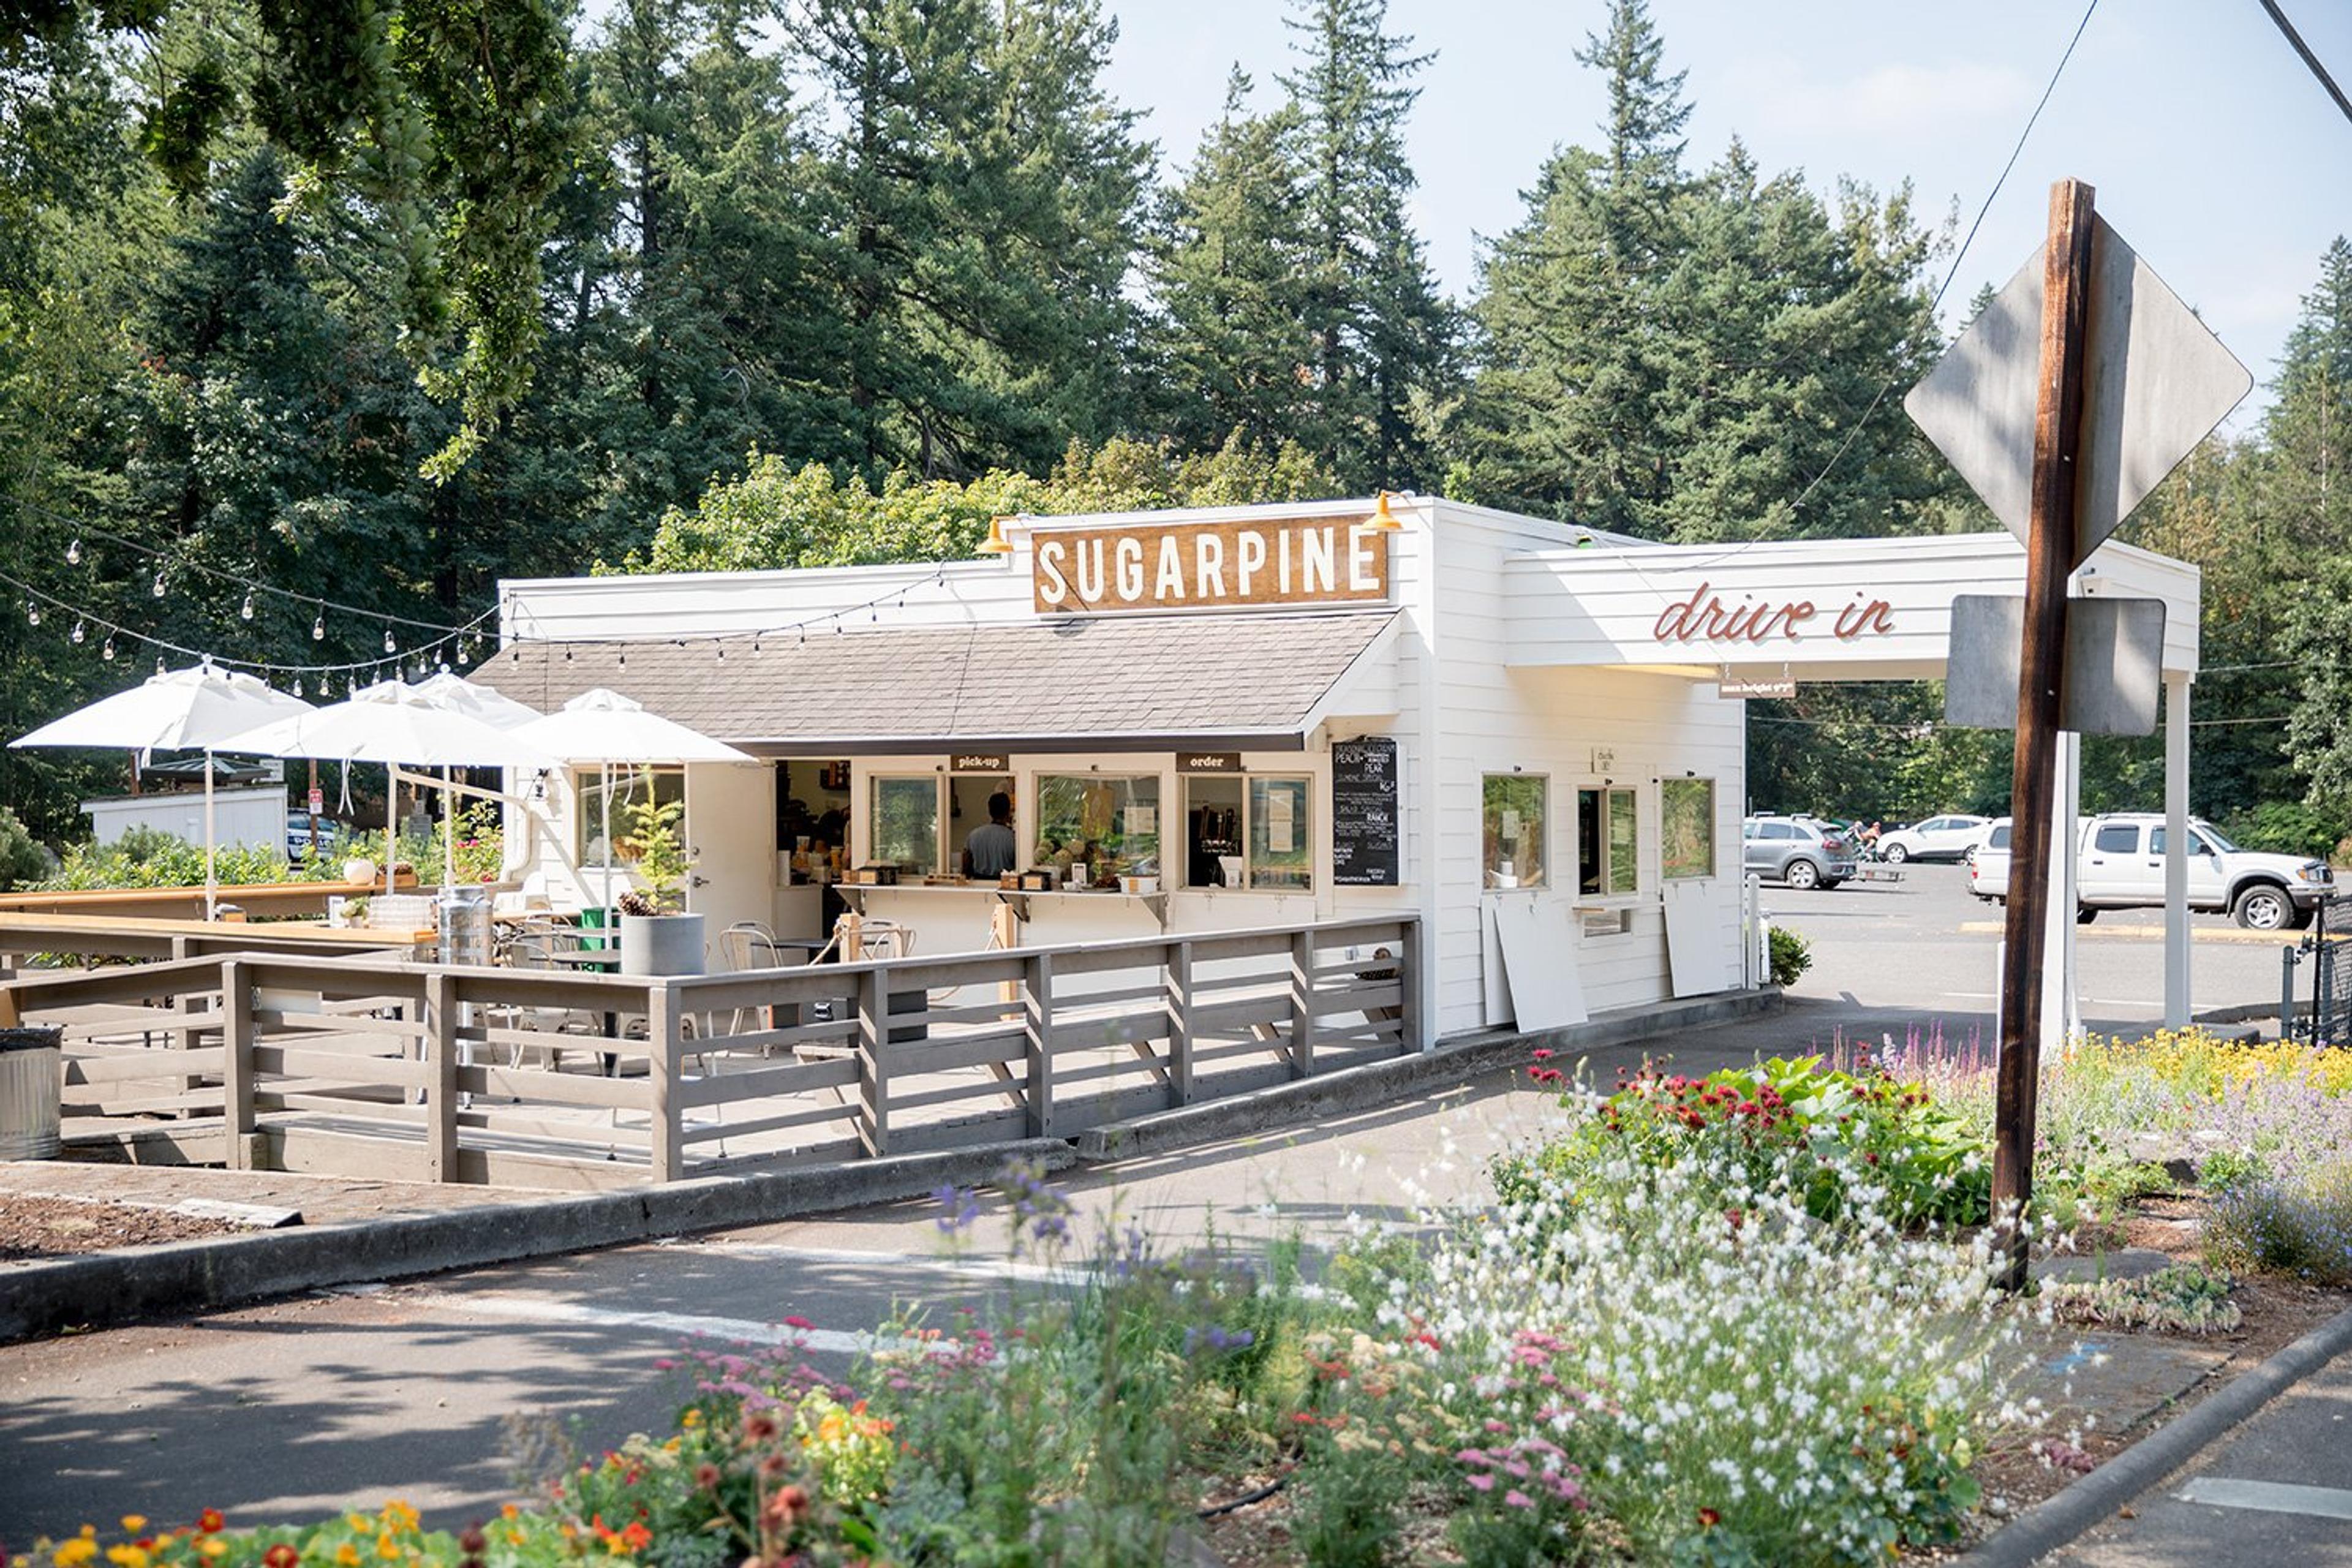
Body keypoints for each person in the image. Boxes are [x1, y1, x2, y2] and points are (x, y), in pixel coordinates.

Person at [962, 791, 1017, 878]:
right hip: (1005, 883)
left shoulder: (974, 835)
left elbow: (966, 867)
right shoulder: (1013, 838)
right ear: (1008, 811)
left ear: (989, 810)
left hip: (978, 884)